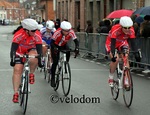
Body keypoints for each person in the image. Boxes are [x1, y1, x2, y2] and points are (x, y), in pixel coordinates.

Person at [10, 18, 43, 103]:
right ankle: (16, 93)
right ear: (26, 30)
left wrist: (40, 60)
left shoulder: (36, 35)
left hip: (30, 50)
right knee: (17, 69)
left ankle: (31, 73)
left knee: (34, 56)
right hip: (19, 51)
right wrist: (12, 59)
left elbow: (39, 50)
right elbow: (13, 49)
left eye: (35, 30)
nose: (35, 32)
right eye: (33, 31)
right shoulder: (19, 34)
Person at [105, 16, 139, 87]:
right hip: (111, 43)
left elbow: (133, 43)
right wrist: (113, 55)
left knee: (126, 58)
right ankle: (111, 77)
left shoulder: (131, 30)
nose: (127, 29)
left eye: (129, 27)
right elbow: (113, 44)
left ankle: (126, 79)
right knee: (115, 59)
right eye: (125, 28)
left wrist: (136, 53)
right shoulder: (115, 29)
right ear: (121, 26)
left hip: (122, 43)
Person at [50, 21, 79, 87]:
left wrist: (77, 48)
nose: (67, 33)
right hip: (55, 45)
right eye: (65, 31)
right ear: (61, 30)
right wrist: (54, 48)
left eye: (68, 31)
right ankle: (53, 78)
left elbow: (76, 41)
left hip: (63, 44)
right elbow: (52, 42)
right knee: (55, 62)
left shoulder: (71, 32)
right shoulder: (57, 32)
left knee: (68, 51)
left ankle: (66, 63)